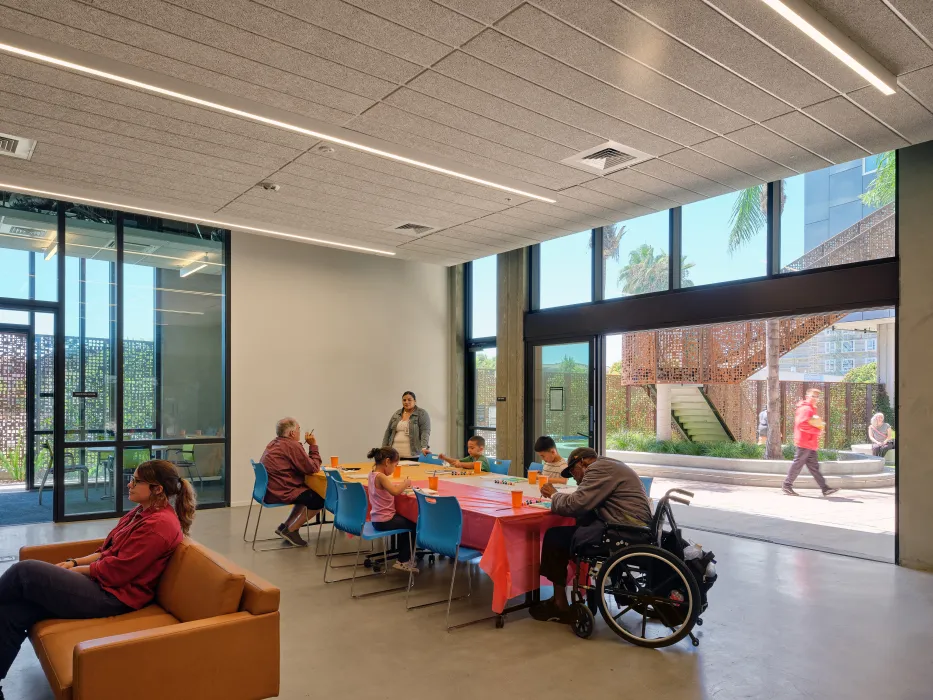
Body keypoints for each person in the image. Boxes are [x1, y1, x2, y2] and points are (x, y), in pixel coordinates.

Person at [0, 460, 195, 697]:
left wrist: (73, 572)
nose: (129, 484)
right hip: (102, 583)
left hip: (113, 595)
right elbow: (107, 550)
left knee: (25, 571)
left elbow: (117, 571)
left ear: (157, 489)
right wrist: (74, 562)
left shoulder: (159, 525)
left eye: (136, 481)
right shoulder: (141, 512)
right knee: (15, 611)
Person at [531, 447, 652, 624]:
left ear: (583, 462)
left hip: (624, 531)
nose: (575, 479)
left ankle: (559, 603)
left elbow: (576, 505)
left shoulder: (598, 469)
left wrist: (554, 495)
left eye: (573, 472)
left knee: (555, 537)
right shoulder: (610, 465)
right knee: (573, 529)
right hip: (632, 526)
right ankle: (571, 593)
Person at [261, 417, 324, 547]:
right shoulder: (291, 445)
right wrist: (313, 446)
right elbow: (312, 468)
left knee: (304, 494)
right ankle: (292, 530)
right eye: (299, 430)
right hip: (282, 491)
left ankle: (285, 526)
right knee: (319, 500)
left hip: (270, 490)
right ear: (292, 433)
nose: (300, 433)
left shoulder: (274, 443)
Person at [367, 447, 419, 574]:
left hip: (376, 519)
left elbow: (387, 489)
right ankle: (403, 561)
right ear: (387, 462)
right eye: (395, 465)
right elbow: (395, 492)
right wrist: (406, 483)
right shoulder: (382, 477)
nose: (395, 469)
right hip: (385, 520)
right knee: (414, 524)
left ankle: (403, 556)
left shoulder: (372, 474)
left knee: (405, 523)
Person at [782, 388, 839, 497]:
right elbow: (802, 425)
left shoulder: (810, 409)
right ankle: (786, 485)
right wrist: (817, 430)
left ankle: (825, 488)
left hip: (809, 443)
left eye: (817, 397)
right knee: (798, 465)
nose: (815, 399)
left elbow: (809, 424)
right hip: (805, 442)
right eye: (813, 396)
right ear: (807, 396)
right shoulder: (806, 409)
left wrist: (817, 428)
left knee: (813, 467)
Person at [382, 391, 431, 460]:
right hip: (395, 455)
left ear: (415, 401)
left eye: (409, 400)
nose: (406, 402)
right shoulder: (397, 413)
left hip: (413, 455)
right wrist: (384, 449)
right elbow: (388, 431)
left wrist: (424, 447)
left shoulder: (422, 413)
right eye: (404, 400)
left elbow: (425, 431)